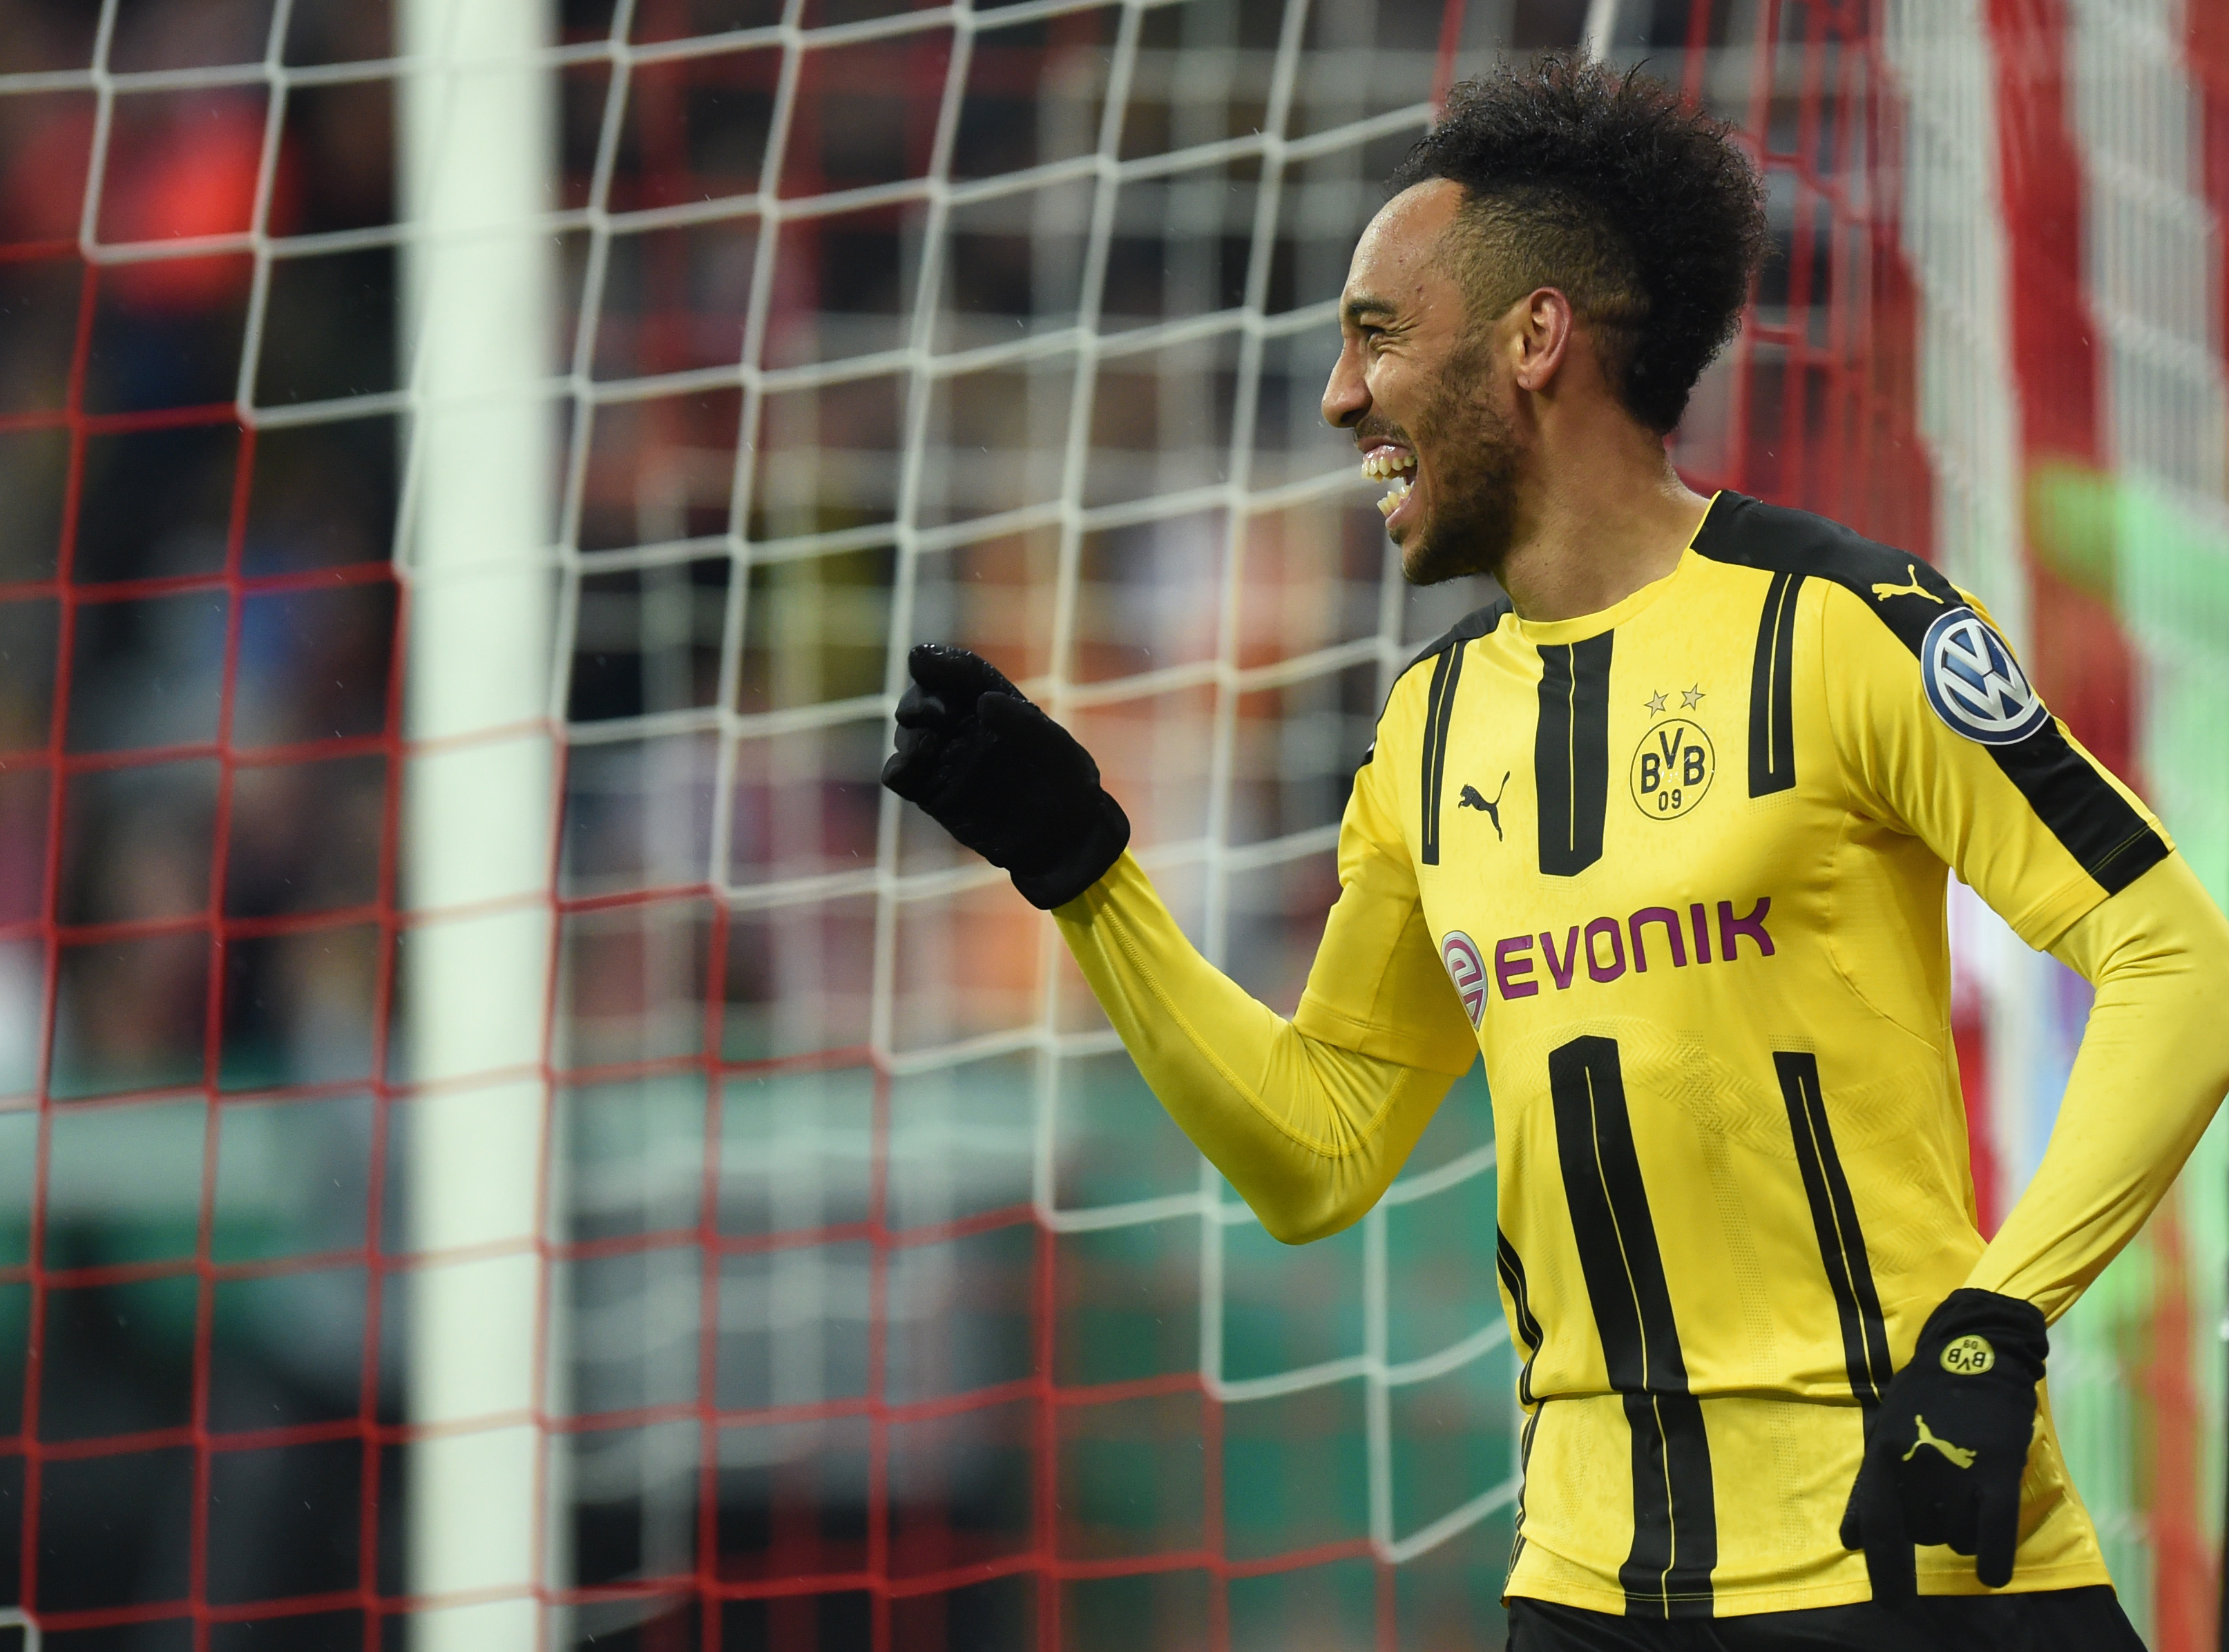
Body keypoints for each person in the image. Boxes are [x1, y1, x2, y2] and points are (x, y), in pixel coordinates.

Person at [881, 52, 2229, 1649]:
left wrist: (1998, 1322)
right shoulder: (1425, 733)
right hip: (1587, 1588)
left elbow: (2175, 958)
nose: (1337, 396)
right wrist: (1087, 877)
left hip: (1906, 1553)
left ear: (1534, 339)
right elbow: (1320, 1151)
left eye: (1374, 336)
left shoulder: (1849, 629)